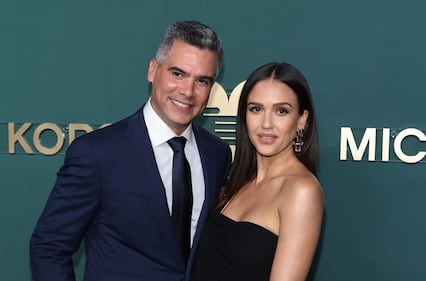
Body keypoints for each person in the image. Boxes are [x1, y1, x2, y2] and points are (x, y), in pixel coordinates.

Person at [30, 20, 232, 281]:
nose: (188, 91)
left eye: (202, 81)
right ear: (152, 70)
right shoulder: (97, 153)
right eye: (177, 74)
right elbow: (48, 248)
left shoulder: (217, 154)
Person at [190, 62, 324, 281]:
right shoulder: (237, 180)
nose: (266, 123)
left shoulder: (302, 191)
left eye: (281, 111)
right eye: (256, 109)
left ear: (302, 120)